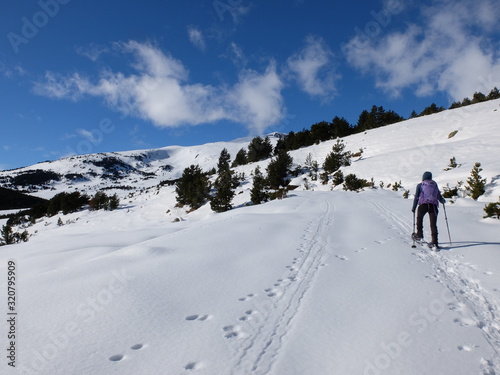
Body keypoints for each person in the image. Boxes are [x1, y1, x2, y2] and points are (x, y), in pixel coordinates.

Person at [412, 171, 446, 248]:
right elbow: (438, 196)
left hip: (423, 205)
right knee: (433, 224)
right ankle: (435, 242)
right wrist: (442, 201)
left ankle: (419, 234)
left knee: (419, 219)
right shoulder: (434, 184)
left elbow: (416, 197)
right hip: (433, 206)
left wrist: (414, 207)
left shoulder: (420, 185)